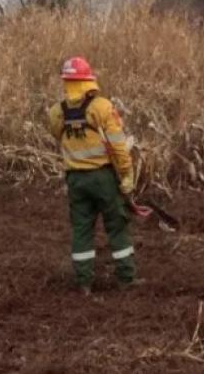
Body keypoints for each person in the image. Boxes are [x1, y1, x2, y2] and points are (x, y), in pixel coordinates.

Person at [48, 56, 137, 294]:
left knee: (81, 230)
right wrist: (127, 175)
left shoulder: (56, 112)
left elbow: (58, 136)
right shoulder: (102, 107)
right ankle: (126, 279)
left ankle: (84, 283)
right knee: (117, 226)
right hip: (102, 178)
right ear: (88, 80)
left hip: (75, 180)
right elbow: (118, 146)